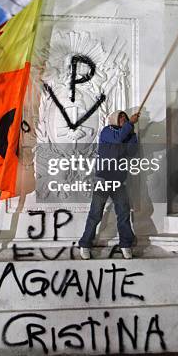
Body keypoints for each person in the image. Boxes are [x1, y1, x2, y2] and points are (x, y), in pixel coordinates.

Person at [79, 110, 139, 260]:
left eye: (125, 118)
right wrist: (130, 124)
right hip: (103, 179)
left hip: (119, 180)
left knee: (124, 213)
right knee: (95, 214)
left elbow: (132, 151)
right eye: (121, 117)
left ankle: (126, 244)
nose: (124, 119)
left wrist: (132, 133)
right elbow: (117, 139)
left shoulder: (126, 135)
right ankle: (85, 244)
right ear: (113, 119)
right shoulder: (107, 131)